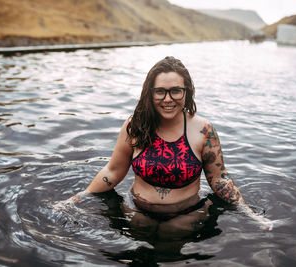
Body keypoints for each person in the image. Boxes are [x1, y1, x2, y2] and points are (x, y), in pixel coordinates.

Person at [68, 56, 273, 230]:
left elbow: (219, 179)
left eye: (176, 91)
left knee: (172, 242)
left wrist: (250, 214)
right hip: (136, 210)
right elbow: (112, 172)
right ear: (150, 93)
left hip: (187, 214)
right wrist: (78, 198)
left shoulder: (204, 130)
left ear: (187, 91)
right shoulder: (135, 126)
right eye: (160, 91)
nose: (168, 99)